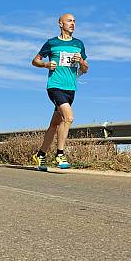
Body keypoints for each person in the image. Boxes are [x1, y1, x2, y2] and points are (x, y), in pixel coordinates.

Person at [31, 13, 88, 169]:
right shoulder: (52, 43)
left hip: (71, 88)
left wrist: (81, 61)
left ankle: (40, 155)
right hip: (55, 86)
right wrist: (46, 65)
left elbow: (86, 68)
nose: (73, 24)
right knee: (68, 117)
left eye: (74, 21)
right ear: (60, 23)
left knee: (55, 124)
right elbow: (35, 60)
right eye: (69, 21)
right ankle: (60, 154)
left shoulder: (79, 44)